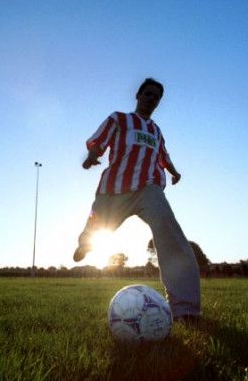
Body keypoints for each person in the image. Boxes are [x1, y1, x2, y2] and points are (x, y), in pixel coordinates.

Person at [73, 78, 201, 324]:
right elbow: (99, 139)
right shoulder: (119, 119)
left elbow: (163, 155)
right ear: (138, 95)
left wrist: (173, 171)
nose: (151, 99)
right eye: (148, 94)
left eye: (157, 97)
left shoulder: (155, 130)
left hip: (148, 189)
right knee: (98, 228)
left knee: (169, 229)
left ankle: (185, 309)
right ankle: (85, 243)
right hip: (114, 189)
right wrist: (92, 155)